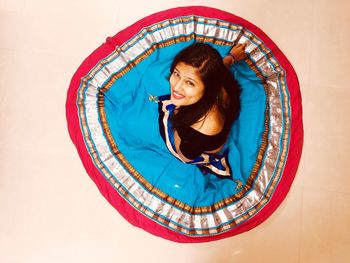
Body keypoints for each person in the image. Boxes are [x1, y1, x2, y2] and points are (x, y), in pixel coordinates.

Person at [158, 42, 247, 177]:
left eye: (190, 83)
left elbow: (185, 157)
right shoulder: (218, 80)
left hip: (203, 143)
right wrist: (231, 57)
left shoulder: (204, 127)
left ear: (208, 88)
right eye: (176, 73)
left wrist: (176, 126)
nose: (176, 87)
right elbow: (220, 70)